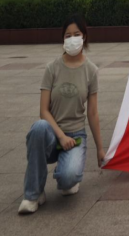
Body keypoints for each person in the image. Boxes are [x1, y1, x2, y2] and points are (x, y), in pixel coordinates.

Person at [18, 15, 104, 215]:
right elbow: (43, 111)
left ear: (84, 37)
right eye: (68, 35)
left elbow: (92, 112)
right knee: (39, 127)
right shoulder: (52, 68)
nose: (72, 39)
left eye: (76, 34)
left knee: (68, 180)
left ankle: (67, 175)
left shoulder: (91, 71)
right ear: (63, 39)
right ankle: (33, 195)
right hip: (51, 133)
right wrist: (61, 136)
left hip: (75, 137)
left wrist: (100, 149)